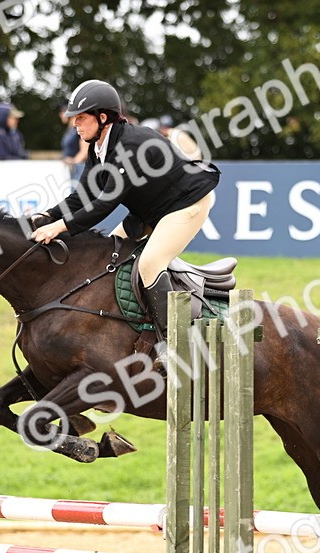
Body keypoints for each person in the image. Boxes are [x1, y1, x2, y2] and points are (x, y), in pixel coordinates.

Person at [31, 79, 221, 364]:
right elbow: (83, 194)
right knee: (112, 252)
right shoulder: (99, 146)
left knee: (149, 264)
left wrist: (58, 227)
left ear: (102, 117)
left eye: (81, 118)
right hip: (151, 208)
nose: (75, 125)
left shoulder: (129, 145)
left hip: (186, 203)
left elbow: (103, 205)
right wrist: (47, 215)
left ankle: (175, 343)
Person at [59, 102, 88, 182]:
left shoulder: (78, 129)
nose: (61, 115)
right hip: (72, 169)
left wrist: (74, 161)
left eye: (63, 112)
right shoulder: (69, 130)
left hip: (79, 168)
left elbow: (85, 151)